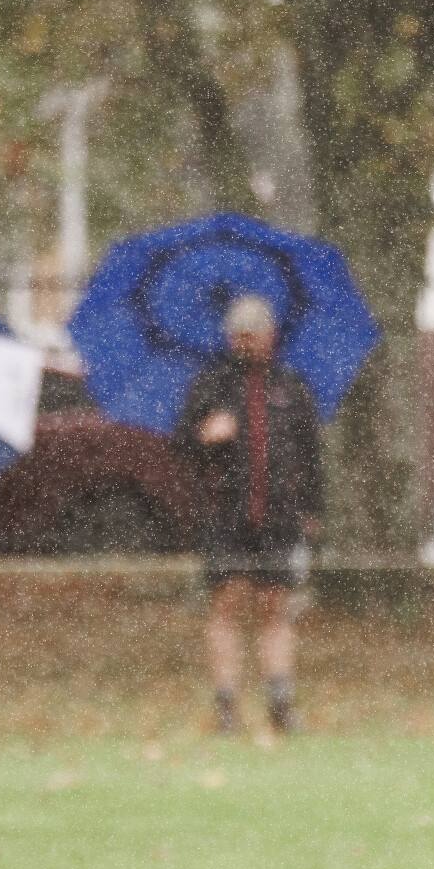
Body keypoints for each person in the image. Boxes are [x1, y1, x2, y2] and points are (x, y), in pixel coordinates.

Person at [177, 295, 324, 735]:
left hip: (279, 517)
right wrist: (205, 436)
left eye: (254, 334)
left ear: (270, 335)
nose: (247, 343)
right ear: (229, 337)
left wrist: (313, 509)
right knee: (226, 605)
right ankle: (227, 707)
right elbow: (181, 446)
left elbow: (311, 456)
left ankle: (281, 704)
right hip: (225, 515)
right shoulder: (211, 385)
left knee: (274, 608)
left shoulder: (292, 387)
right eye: (239, 335)